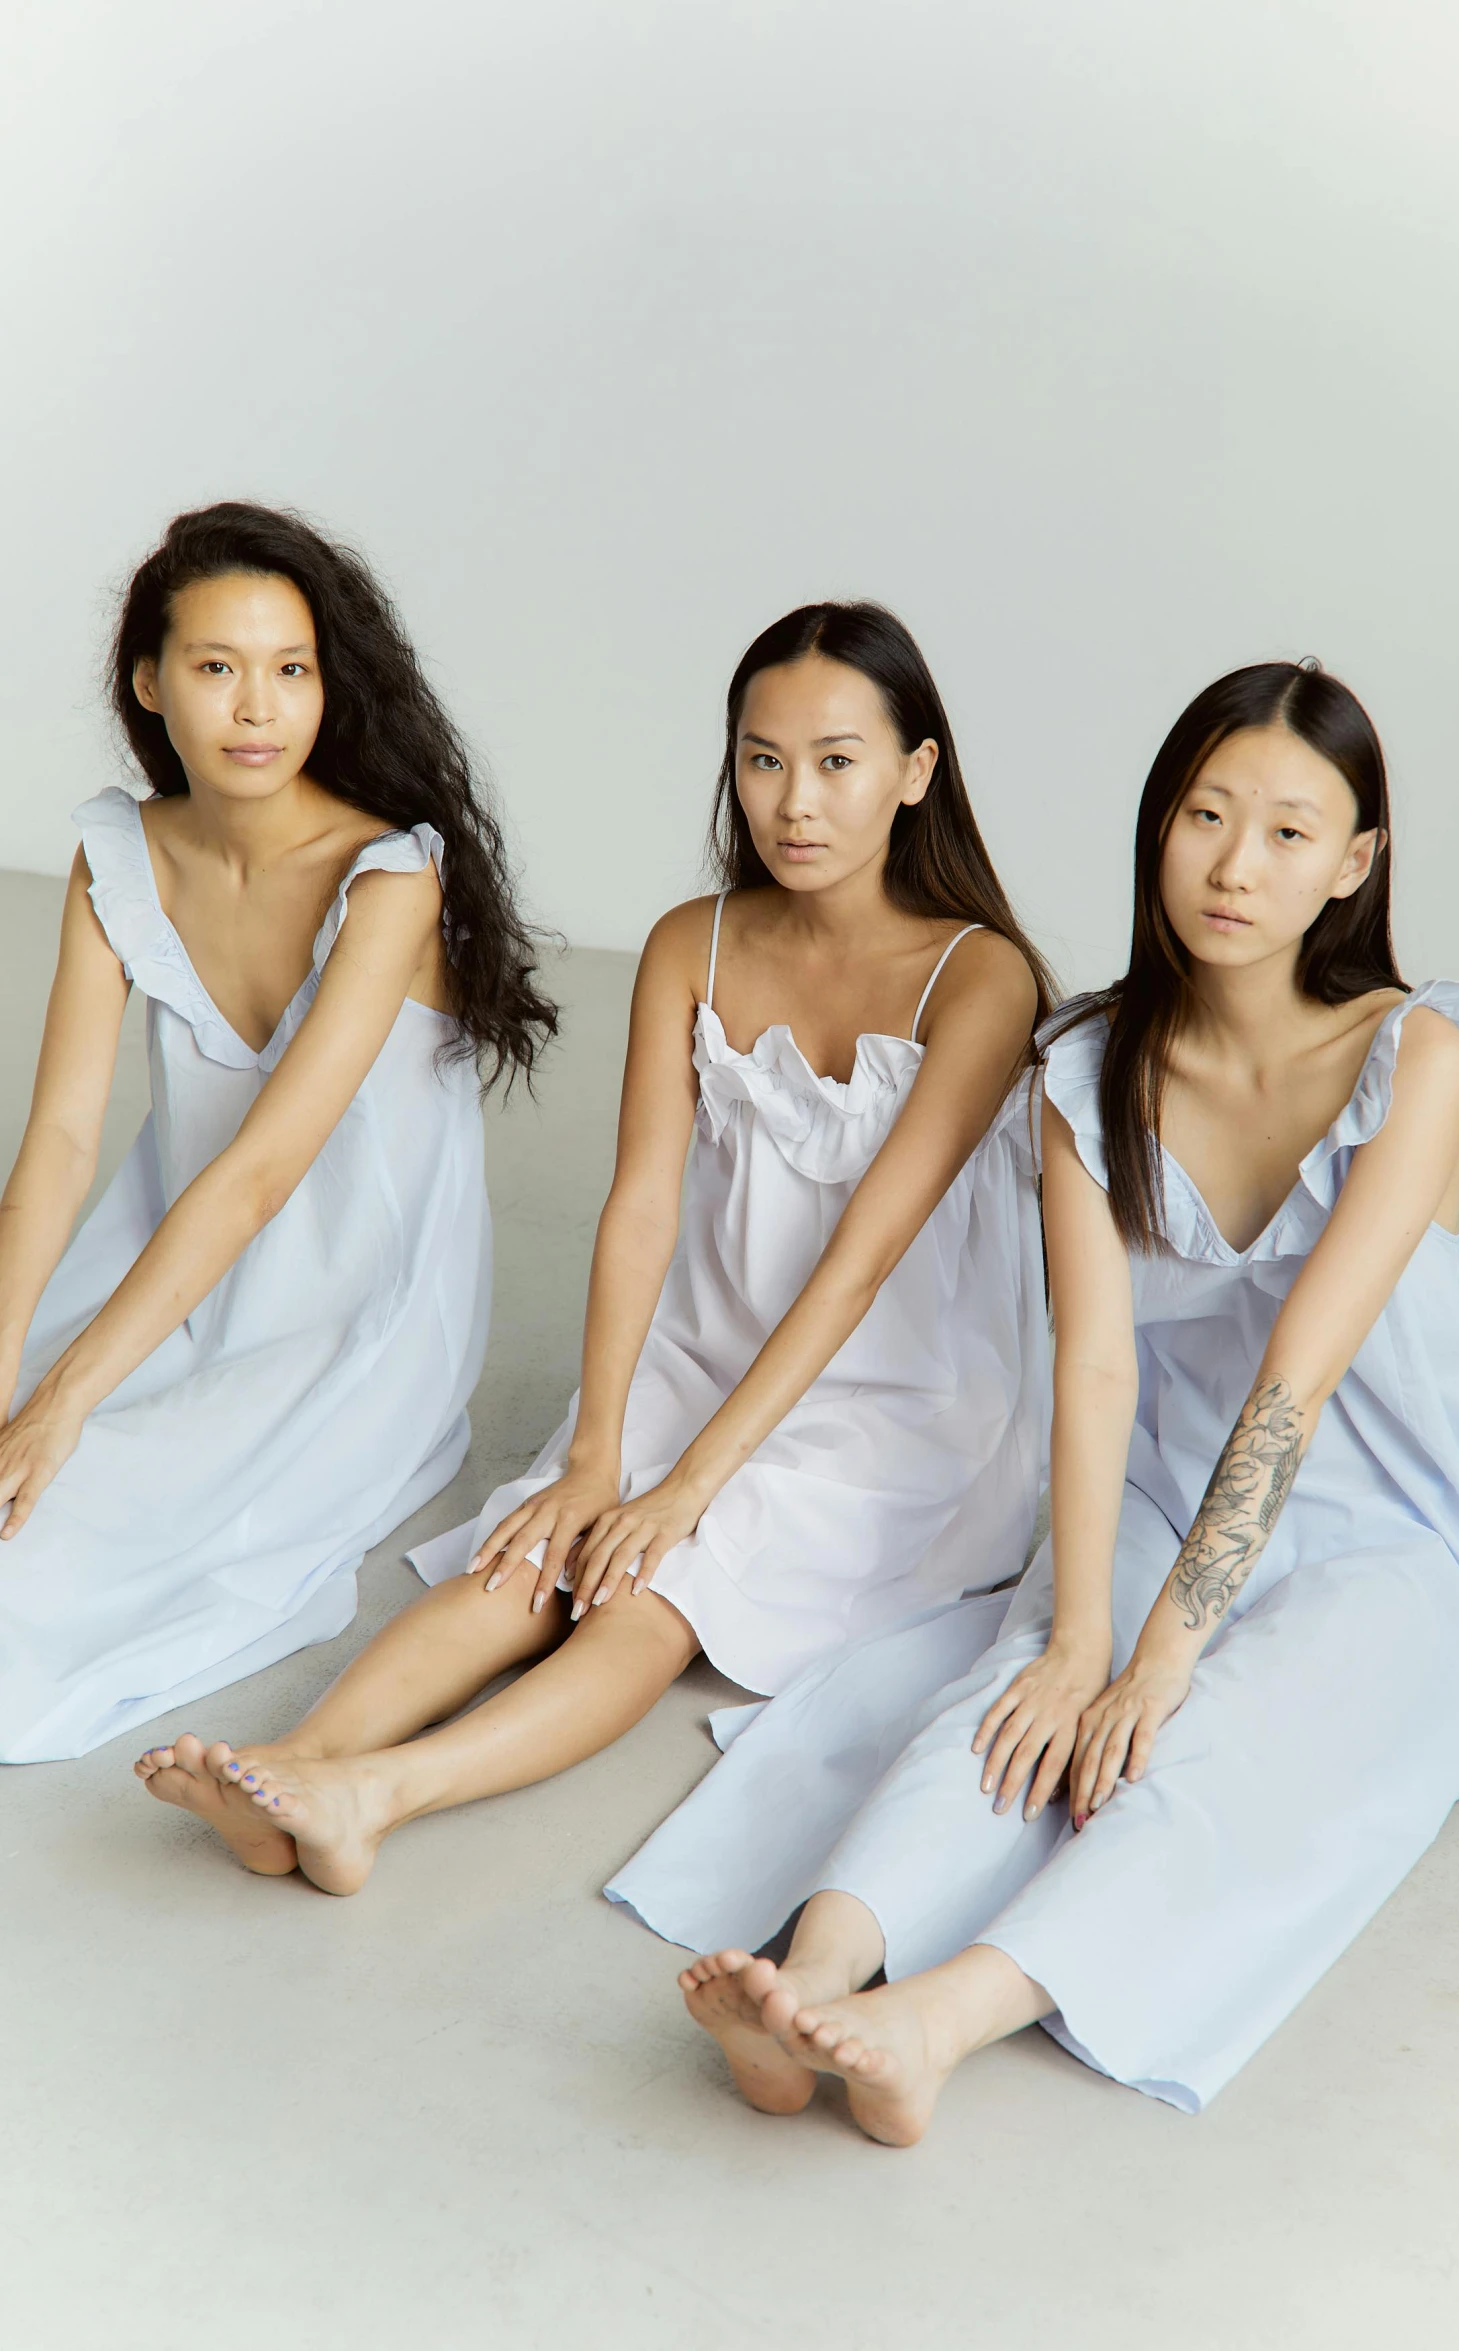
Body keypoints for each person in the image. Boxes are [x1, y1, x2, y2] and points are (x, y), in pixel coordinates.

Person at [622, 659, 1459, 2138]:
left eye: (1284, 832)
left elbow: (1290, 1382)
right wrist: (1075, 1633)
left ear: (1354, 863)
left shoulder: (1414, 1056)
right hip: (1151, 1472)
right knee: (1013, 1706)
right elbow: (1099, 1363)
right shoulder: (1084, 1062)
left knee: (1212, 1742)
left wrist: (1158, 1655)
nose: (1232, 866)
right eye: (1202, 815)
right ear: (1155, 825)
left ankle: (929, 2021)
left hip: (1396, 1524)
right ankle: (809, 1971)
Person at [190, 601, 1053, 1894]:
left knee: (653, 1587)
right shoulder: (687, 941)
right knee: (530, 1546)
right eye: (761, 758)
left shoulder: (977, 976)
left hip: (894, 1397)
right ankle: (291, 1763)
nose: (793, 799)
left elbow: (862, 1262)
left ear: (914, 771)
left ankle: (376, 1793)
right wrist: (598, 1450)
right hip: (705, 1348)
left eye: (835, 759)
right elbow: (640, 1201)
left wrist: (684, 1485)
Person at [0, 501, 555, 1767]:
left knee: (62, 1536)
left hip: (347, 1305)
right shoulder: (113, 854)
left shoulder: (391, 878)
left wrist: (60, 1404)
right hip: (156, 1259)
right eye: (216, 668)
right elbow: (62, 1143)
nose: (258, 709)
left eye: (291, 670)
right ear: (148, 682)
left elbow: (258, 1178)